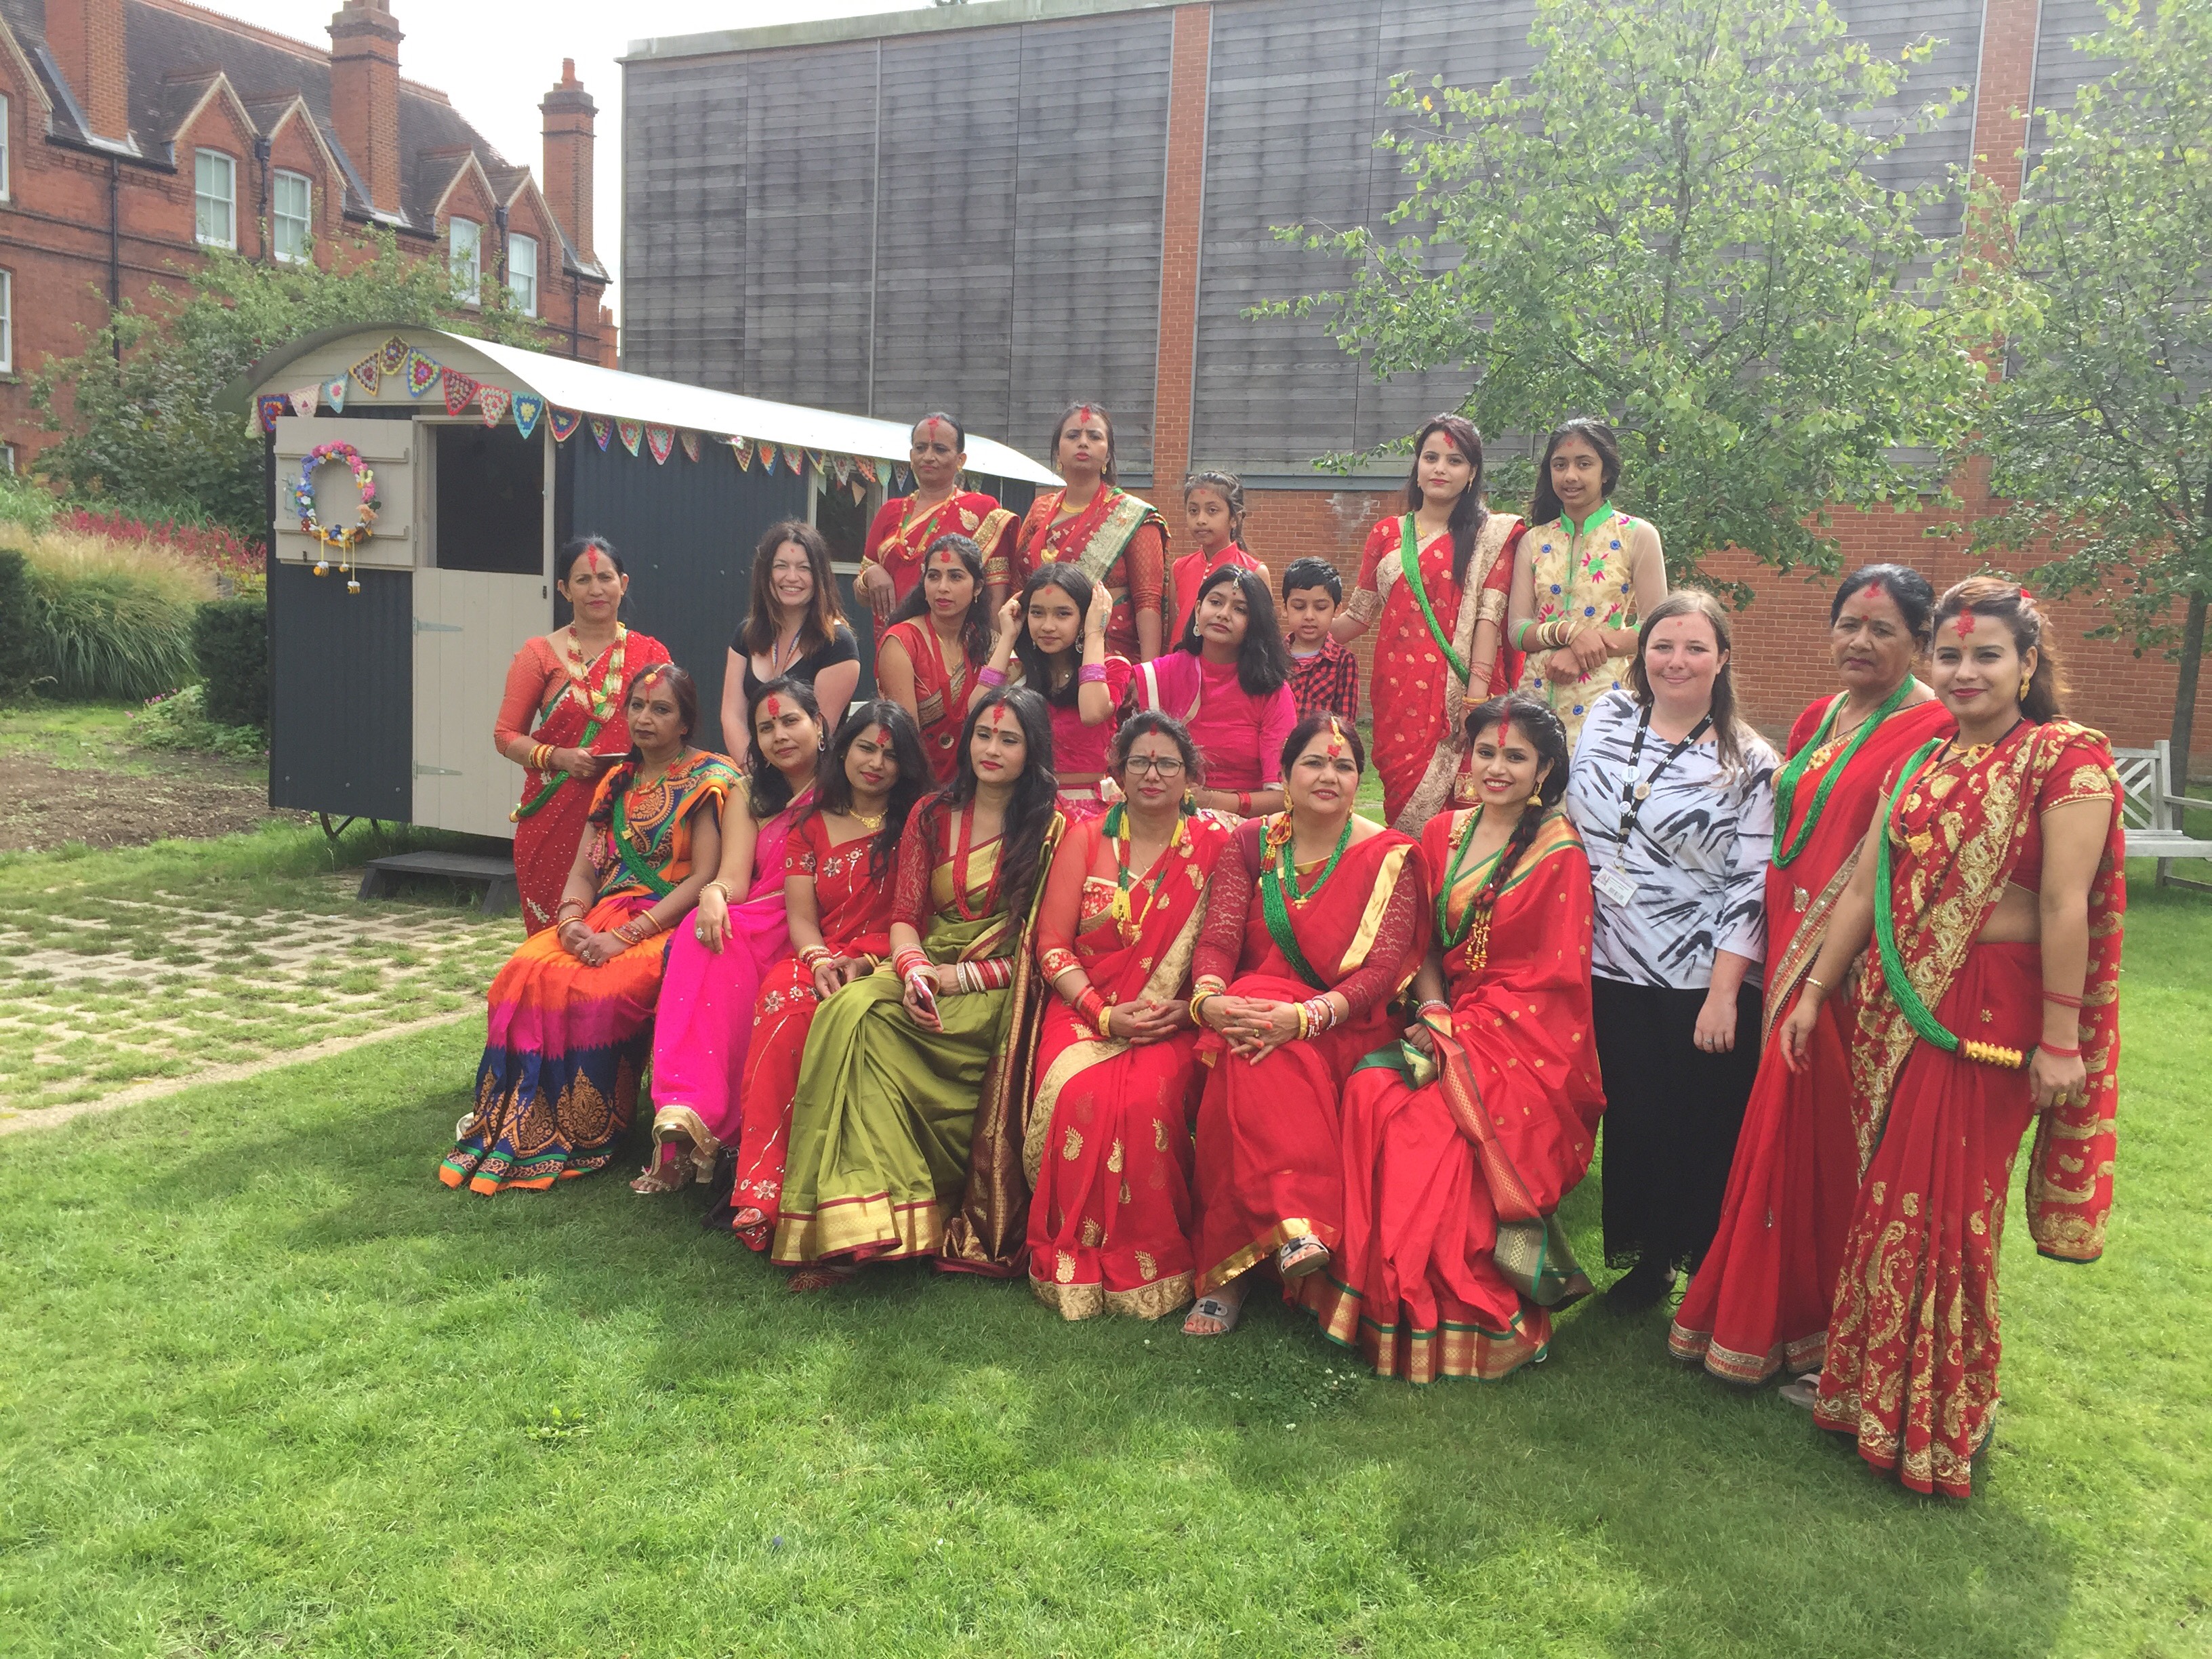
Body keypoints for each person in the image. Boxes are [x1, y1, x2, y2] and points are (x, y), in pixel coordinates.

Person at [1776, 579, 2125, 1500]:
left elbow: (2064, 904)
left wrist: (2061, 1038)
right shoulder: (1921, 761)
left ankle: (1940, 1417)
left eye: (1987, 655)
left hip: (1988, 1019)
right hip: (1897, 1005)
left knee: (1943, 1218)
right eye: (1951, 656)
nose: (1965, 672)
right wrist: (1815, 993)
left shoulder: (2065, 761)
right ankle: (1866, 1398)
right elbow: (1863, 890)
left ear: (2028, 664)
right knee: (1886, 1203)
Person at [1669, 566, 1952, 1385]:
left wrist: (1833, 965)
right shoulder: (1821, 713)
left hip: (1852, 963)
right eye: (1849, 626)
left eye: (1884, 630)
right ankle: (1769, 1314)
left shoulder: (1931, 729)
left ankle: (1817, 1325)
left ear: (1919, 643)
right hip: (1784, 934)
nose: (1860, 642)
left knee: (1824, 1131)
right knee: (1779, 1128)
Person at [1300, 696, 1603, 1380]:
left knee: (1427, 1126)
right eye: (1487, 753)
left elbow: (1555, 981)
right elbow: (1423, 945)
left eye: (1515, 757)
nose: (1496, 768)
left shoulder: (1561, 856)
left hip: (1527, 1038)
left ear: (1545, 769)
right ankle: (1368, 1291)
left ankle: (1446, 1302)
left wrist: (1466, 1030)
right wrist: (1435, 1014)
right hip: (1446, 1015)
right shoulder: (1441, 834)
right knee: (1371, 1088)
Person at [773, 688, 1064, 1286]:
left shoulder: (1051, 829)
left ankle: (888, 1218)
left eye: (1009, 739)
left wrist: (960, 977)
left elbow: (1038, 948)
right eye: (983, 735)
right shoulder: (931, 813)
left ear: (1031, 752)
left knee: (870, 1028)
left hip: (995, 993)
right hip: (923, 973)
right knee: (846, 1013)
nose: (992, 749)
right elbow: (905, 915)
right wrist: (914, 971)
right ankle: (853, 1228)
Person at [1182, 714, 1431, 1337]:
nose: (1329, 775)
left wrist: (1306, 1016)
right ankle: (1298, 1227)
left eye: (1344, 766)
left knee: (1250, 1048)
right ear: (1286, 777)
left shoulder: (1390, 856)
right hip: (1254, 1021)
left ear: (1359, 781)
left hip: (1345, 1027)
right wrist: (1208, 1001)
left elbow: (1380, 972)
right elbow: (1217, 941)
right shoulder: (1251, 844)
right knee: (1251, 1028)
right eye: (1314, 763)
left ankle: (1231, 1277)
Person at [442, 664, 733, 1194]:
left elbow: (706, 877)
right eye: (638, 708)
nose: (645, 719)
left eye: (661, 710)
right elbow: (584, 869)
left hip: (670, 920)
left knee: (603, 989)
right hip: (602, 915)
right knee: (523, 971)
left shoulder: (709, 779)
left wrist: (626, 937)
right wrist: (572, 920)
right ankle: (516, 1120)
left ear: (686, 722)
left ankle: (591, 1130)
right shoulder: (616, 781)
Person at [1564, 590, 1776, 1312]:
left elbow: (1752, 887)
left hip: (1694, 977)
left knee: (1697, 1125)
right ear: (1642, 653)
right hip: (1600, 962)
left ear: (1723, 659)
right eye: (1662, 645)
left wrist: (1725, 995)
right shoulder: (1608, 717)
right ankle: (1646, 1263)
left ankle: (1702, 1270)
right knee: (1632, 1117)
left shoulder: (1749, 762)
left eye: (1693, 648)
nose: (1675, 661)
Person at [1026, 713, 1233, 1319]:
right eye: (1138, 762)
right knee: (1082, 1094)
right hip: (1082, 1011)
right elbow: (1052, 946)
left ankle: (1154, 1257)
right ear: (1115, 771)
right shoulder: (1085, 838)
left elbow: (1225, 944)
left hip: (1175, 1016)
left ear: (1190, 775)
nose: (1152, 774)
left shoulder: (1217, 847)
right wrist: (1103, 1013)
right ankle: (1080, 1253)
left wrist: (1189, 1005)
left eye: (1168, 763)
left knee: (1146, 1101)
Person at [724, 702, 928, 1249]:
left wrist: (864, 962)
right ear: (843, 750)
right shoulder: (810, 825)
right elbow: (801, 918)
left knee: (848, 1023)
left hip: (890, 960)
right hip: (821, 958)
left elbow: (921, 917)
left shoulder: (921, 824)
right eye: (866, 748)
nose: (876, 763)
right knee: (785, 1005)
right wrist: (816, 961)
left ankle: (833, 1204)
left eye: (891, 754)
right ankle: (762, 1192)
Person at [635, 677, 824, 1193]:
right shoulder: (748, 791)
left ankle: (713, 1125)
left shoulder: (846, 784)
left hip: (823, 919)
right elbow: (736, 878)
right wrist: (713, 894)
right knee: (704, 937)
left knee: (724, 950)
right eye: (766, 728)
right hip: (761, 913)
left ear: (819, 725)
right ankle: (684, 1113)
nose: (779, 736)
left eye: (790, 721)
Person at [1333, 414, 1526, 830]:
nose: (1440, 468)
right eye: (1431, 457)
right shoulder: (1386, 533)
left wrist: (1475, 703)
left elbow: (1489, 619)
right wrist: (1297, 633)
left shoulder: (1490, 536)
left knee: (1460, 818)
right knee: (1399, 802)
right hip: (1396, 694)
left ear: (1472, 473)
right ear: (1417, 467)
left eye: (1454, 461)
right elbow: (1358, 616)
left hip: (1461, 697)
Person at [495, 537, 672, 933]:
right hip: (555, 815)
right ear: (563, 589)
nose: (596, 589)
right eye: (583, 580)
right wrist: (560, 757)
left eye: (606, 577)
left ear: (623, 583)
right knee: (555, 942)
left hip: (631, 813)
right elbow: (506, 735)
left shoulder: (650, 652)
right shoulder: (539, 654)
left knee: (619, 939)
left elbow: (673, 727)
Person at [1509, 418, 1669, 748]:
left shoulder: (1636, 535)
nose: (1570, 476)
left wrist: (1580, 652)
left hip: (1605, 701)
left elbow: (1655, 630)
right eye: (1560, 465)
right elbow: (1518, 630)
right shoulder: (1534, 540)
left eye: (1584, 464)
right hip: (1535, 697)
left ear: (1605, 472)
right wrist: (1569, 633)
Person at [1130, 565, 1297, 820]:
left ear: (1255, 625)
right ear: (1198, 610)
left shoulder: (1272, 692)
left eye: (1240, 609)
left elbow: (1283, 796)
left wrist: (1214, 801)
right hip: (1167, 817)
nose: (1223, 614)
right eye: (1215, 602)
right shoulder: (1164, 674)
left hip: (1244, 827)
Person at [1009, 403, 1169, 660]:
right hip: (1039, 654)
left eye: (1094, 436)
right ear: (1057, 452)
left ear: (1108, 456)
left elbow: (1147, 601)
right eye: (1073, 436)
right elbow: (1018, 587)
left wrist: (1147, 675)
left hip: (1107, 659)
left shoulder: (1133, 516)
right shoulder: (1040, 509)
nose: (1083, 443)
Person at [981, 562, 1129, 820]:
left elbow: (1092, 712)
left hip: (1091, 811)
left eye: (1062, 614)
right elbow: (977, 712)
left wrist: (1095, 632)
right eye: (1037, 613)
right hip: (1028, 805)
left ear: (1084, 616)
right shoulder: (1019, 671)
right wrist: (1008, 637)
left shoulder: (1113, 668)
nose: (1047, 626)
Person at [855, 413, 1021, 619]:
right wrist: (869, 577)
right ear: (911, 455)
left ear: (961, 460)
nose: (928, 457)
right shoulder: (890, 511)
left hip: (959, 644)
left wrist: (992, 646)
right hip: (893, 642)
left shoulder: (983, 510)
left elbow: (997, 593)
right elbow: (862, 596)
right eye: (920, 448)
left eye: (940, 449)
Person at [720, 520, 859, 762]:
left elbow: (818, 733)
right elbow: (732, 716)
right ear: (766, 574)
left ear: (820, 577)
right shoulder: (746, 634)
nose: (792, 577)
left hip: (809, 780)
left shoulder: (838, 643)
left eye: (804, 568)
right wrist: (750, 771)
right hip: (748, 770)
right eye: (781, 566)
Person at [876, 533, 994, 783]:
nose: (943, 588)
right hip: (917, 785)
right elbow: (906, 739)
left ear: (978, 587)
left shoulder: (985, 643)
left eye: (955, 576)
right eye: (934, 576)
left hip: (978, 784)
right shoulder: (902, 642)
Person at [1168, 471, 1265, 640]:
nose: (1201, 520)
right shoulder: (1179, 568)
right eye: (1193, 511)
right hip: (1181, 664)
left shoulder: (1255, 571)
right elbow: (1173, 634)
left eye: (1212, 510)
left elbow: (1262, 638)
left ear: (1235, 518)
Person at [1280, 557, 1359, 724]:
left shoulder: (1344, 662)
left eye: (1321, 607)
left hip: (1321, 748)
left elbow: (1345, 724)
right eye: (1299, 607)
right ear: (1284, 609)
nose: (1309, 616)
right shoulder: (1272, 657)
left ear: (1337, 610)